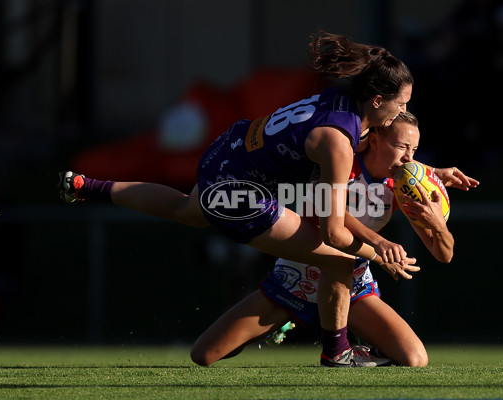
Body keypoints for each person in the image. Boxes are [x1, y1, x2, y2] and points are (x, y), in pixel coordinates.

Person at [59, 31, 419, 367]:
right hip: (240, 192)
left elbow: (360, 151)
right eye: (400, 103)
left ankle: (87, 186)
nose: (401, 111)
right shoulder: (337, 142)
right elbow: (334, 233)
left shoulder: (339, 99)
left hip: (227, 151)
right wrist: (380, 251)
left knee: (186, 209)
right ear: (376, 99)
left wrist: (429, 172)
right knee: (339, 260)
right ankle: (337, 352)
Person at [189, 111, 479, 367]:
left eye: (414, 149)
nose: (409, 158)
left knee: (415, 358)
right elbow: (329, 213)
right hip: (296, 278)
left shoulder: (403, 183)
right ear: (375, 140)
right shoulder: (340, 158)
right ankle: (279, 324)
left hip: (351, 284)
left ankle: (354, 349)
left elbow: (444, 255)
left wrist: (438, 226)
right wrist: (378, 245)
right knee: (205, 354)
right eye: (402, 146)